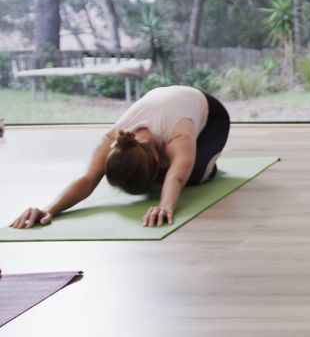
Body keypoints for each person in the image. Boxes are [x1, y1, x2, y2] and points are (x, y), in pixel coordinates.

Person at [10, 85, 231, 229]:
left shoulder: (179, 134)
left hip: (211, 116)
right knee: (160, 172)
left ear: (156, 157)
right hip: (164, 110)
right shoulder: (114, 138)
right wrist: (48, 209)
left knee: (190, 175)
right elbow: (88, 179)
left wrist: (165, 206)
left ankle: (208, 166)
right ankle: (155, 172)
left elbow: (176, 178)